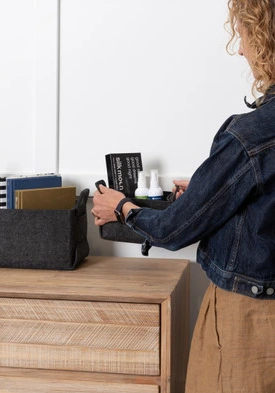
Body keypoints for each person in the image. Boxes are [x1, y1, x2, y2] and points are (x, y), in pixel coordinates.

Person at [91, 1, 275, 392]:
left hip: (251, 321)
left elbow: (175, 230)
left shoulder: (253, 134)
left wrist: (122, 208)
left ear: (264, 38)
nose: (241, 49)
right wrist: (214, 191)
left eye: (243, 35)